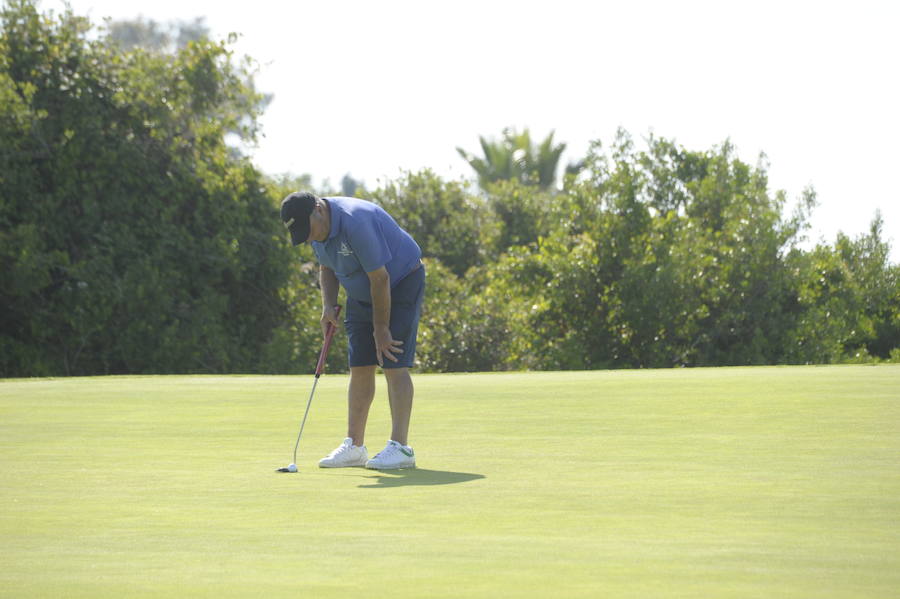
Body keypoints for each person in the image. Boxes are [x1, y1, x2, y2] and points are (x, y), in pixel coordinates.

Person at [281, 191, 425, 470]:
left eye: (308, 231)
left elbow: (381, 279)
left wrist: (381, 328)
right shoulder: (317, 230)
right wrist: (328, 306)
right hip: (361, 290)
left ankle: (401, 448)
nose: (309, 239)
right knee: (360, 364)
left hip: (399, 282)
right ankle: (355, 446)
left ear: (318, 210)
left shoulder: (355, 222)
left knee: (392, 360)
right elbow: (327, 267)